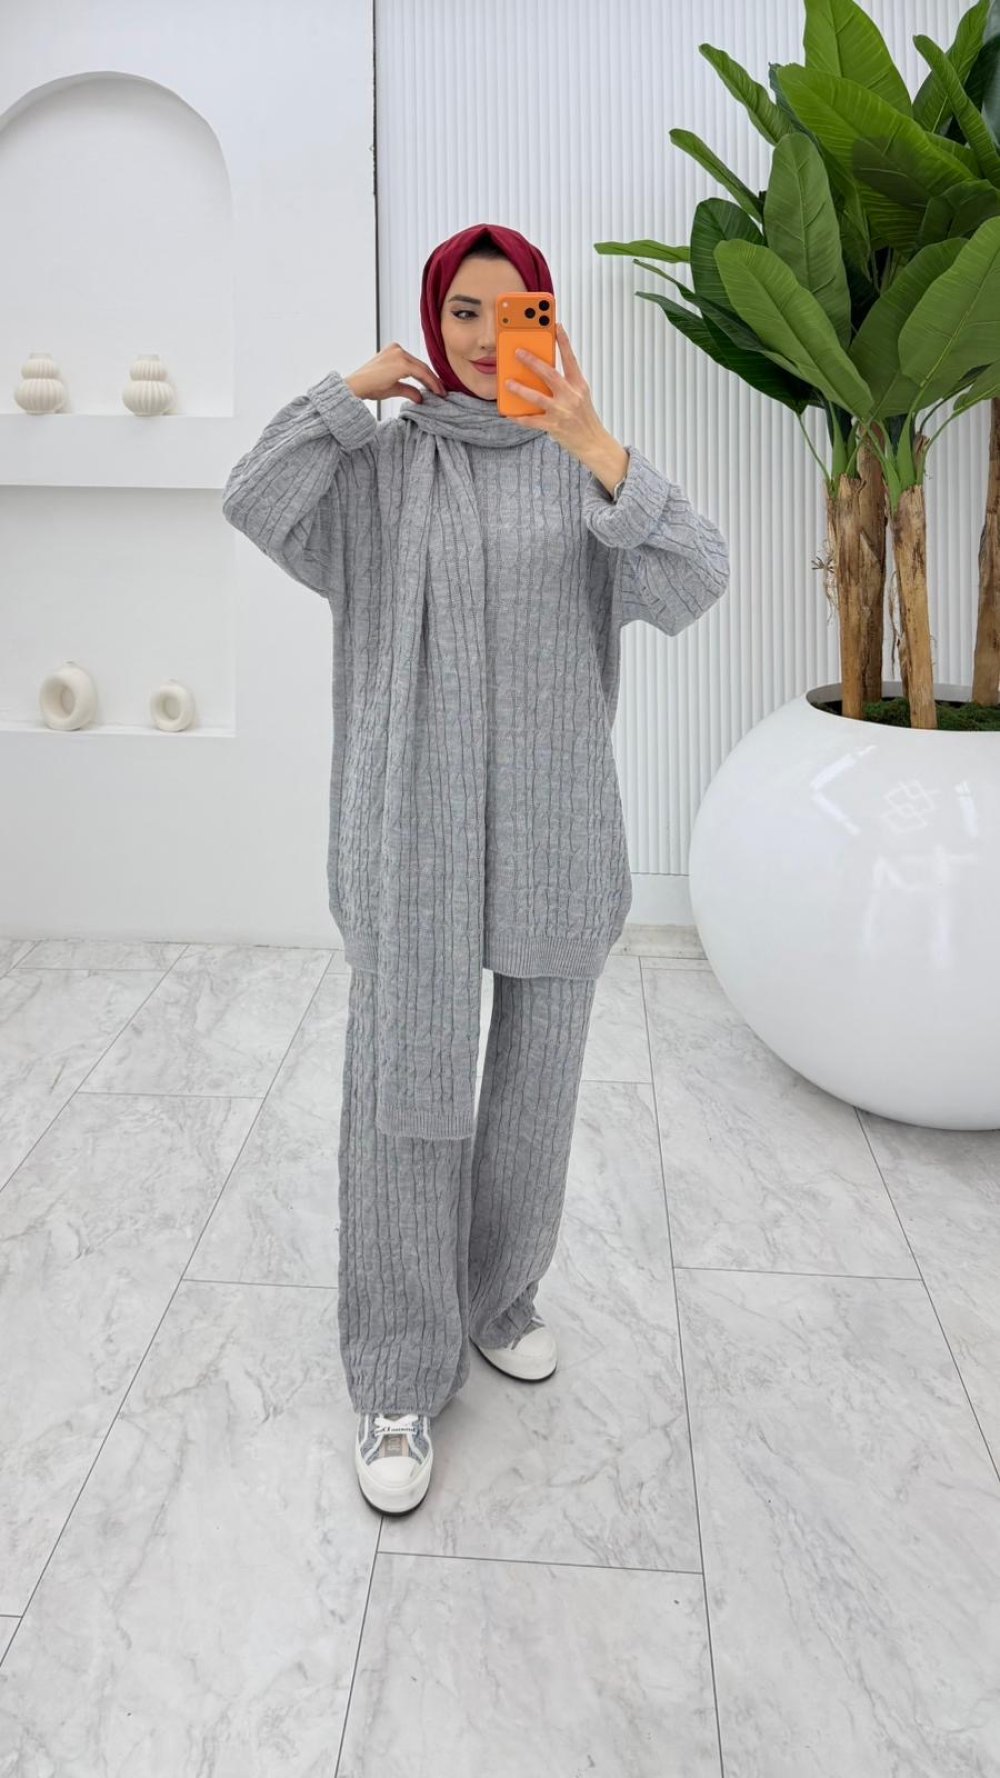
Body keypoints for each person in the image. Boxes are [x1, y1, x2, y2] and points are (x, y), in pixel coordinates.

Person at [221, 222, 730, 1516]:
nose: (487, 337)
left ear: (544, 321)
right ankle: (399, 1368)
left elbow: (698, 580)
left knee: (534, 1095)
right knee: (408, 1091)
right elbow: (253, 496)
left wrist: (601, 448)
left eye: (513, 313)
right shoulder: (382, 472)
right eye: (463, 312)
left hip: (559, 835)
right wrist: (347, 396)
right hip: (414, 840)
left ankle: (499, 1297)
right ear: (432, 320)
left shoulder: (580, 470)